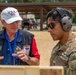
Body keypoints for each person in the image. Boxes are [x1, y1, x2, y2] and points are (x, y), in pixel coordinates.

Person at [46, 7, 76, 75]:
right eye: (48, 26)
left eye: (52, 25)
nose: (49, 30)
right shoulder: (57, 48)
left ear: (65, 23)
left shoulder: (74, 52)